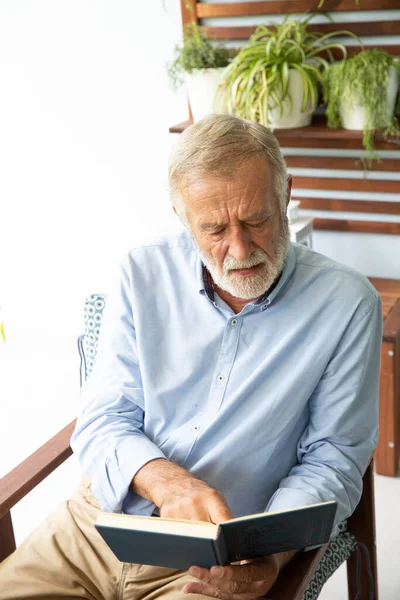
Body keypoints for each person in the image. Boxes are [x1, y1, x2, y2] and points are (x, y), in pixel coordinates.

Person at [0, 114, 382, 600]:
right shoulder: (140, 273)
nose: (239, 248)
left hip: (220, 558)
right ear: (182, 218)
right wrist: (167, 483)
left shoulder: (348, 304)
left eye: (255, 220)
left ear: (285, 197)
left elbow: (332, 460)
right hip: (98, 524)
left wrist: (271, 554)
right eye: (214, 229)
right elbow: (102, 418)